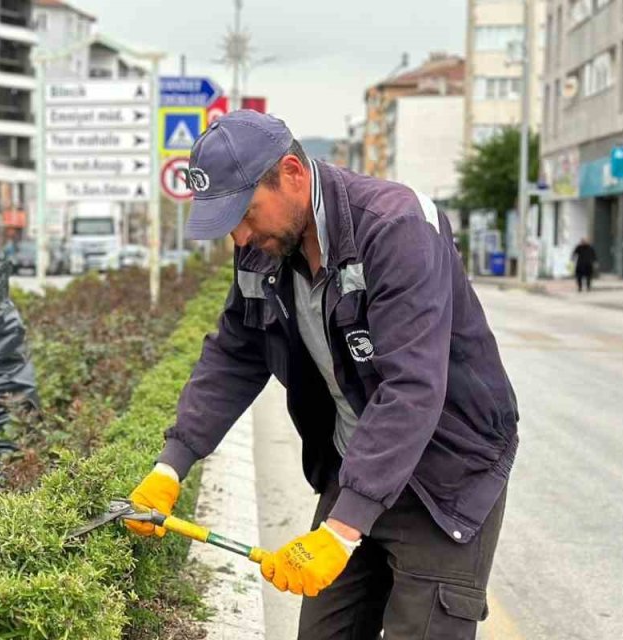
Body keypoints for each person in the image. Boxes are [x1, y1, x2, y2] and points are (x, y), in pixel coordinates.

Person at [125, 111, 519, 639]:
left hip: (443, 471)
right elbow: (235, 354)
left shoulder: (396, 227)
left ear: (292, 173)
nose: (240, 234)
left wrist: (342, 527)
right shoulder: (261, 249)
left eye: (245, 212)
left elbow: (411, 388)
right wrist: (172, 465)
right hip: (358, 462)